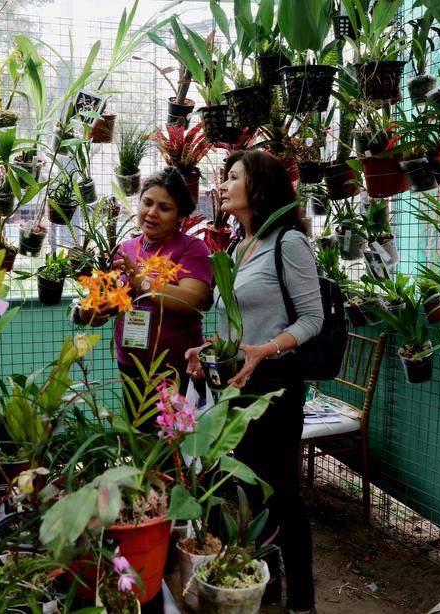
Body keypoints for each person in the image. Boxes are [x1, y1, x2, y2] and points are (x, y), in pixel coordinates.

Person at [185, 150, 323, 614]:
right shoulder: (235, 249)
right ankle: (268, 587)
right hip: (234, 388)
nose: (223, 185)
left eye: (234, 177)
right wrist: (206, 353)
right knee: (239, 490)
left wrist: (267, 348)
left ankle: (303, 601)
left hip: (275, 390)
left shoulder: (289, 244)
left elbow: (312, 319)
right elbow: (230, 325)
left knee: (280, 491)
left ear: (260, 188)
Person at [76, 166, 212, 398]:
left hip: (177, 368)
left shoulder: (191, 248)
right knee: (138, 432)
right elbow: (111, 306)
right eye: (147, 202)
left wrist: (143, 282)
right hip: (131, 367)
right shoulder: (125, 249)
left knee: (175, 433)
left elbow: (193, 300)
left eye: (164, 208)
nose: (152, 212)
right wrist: (90, 312)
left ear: (180, 215)